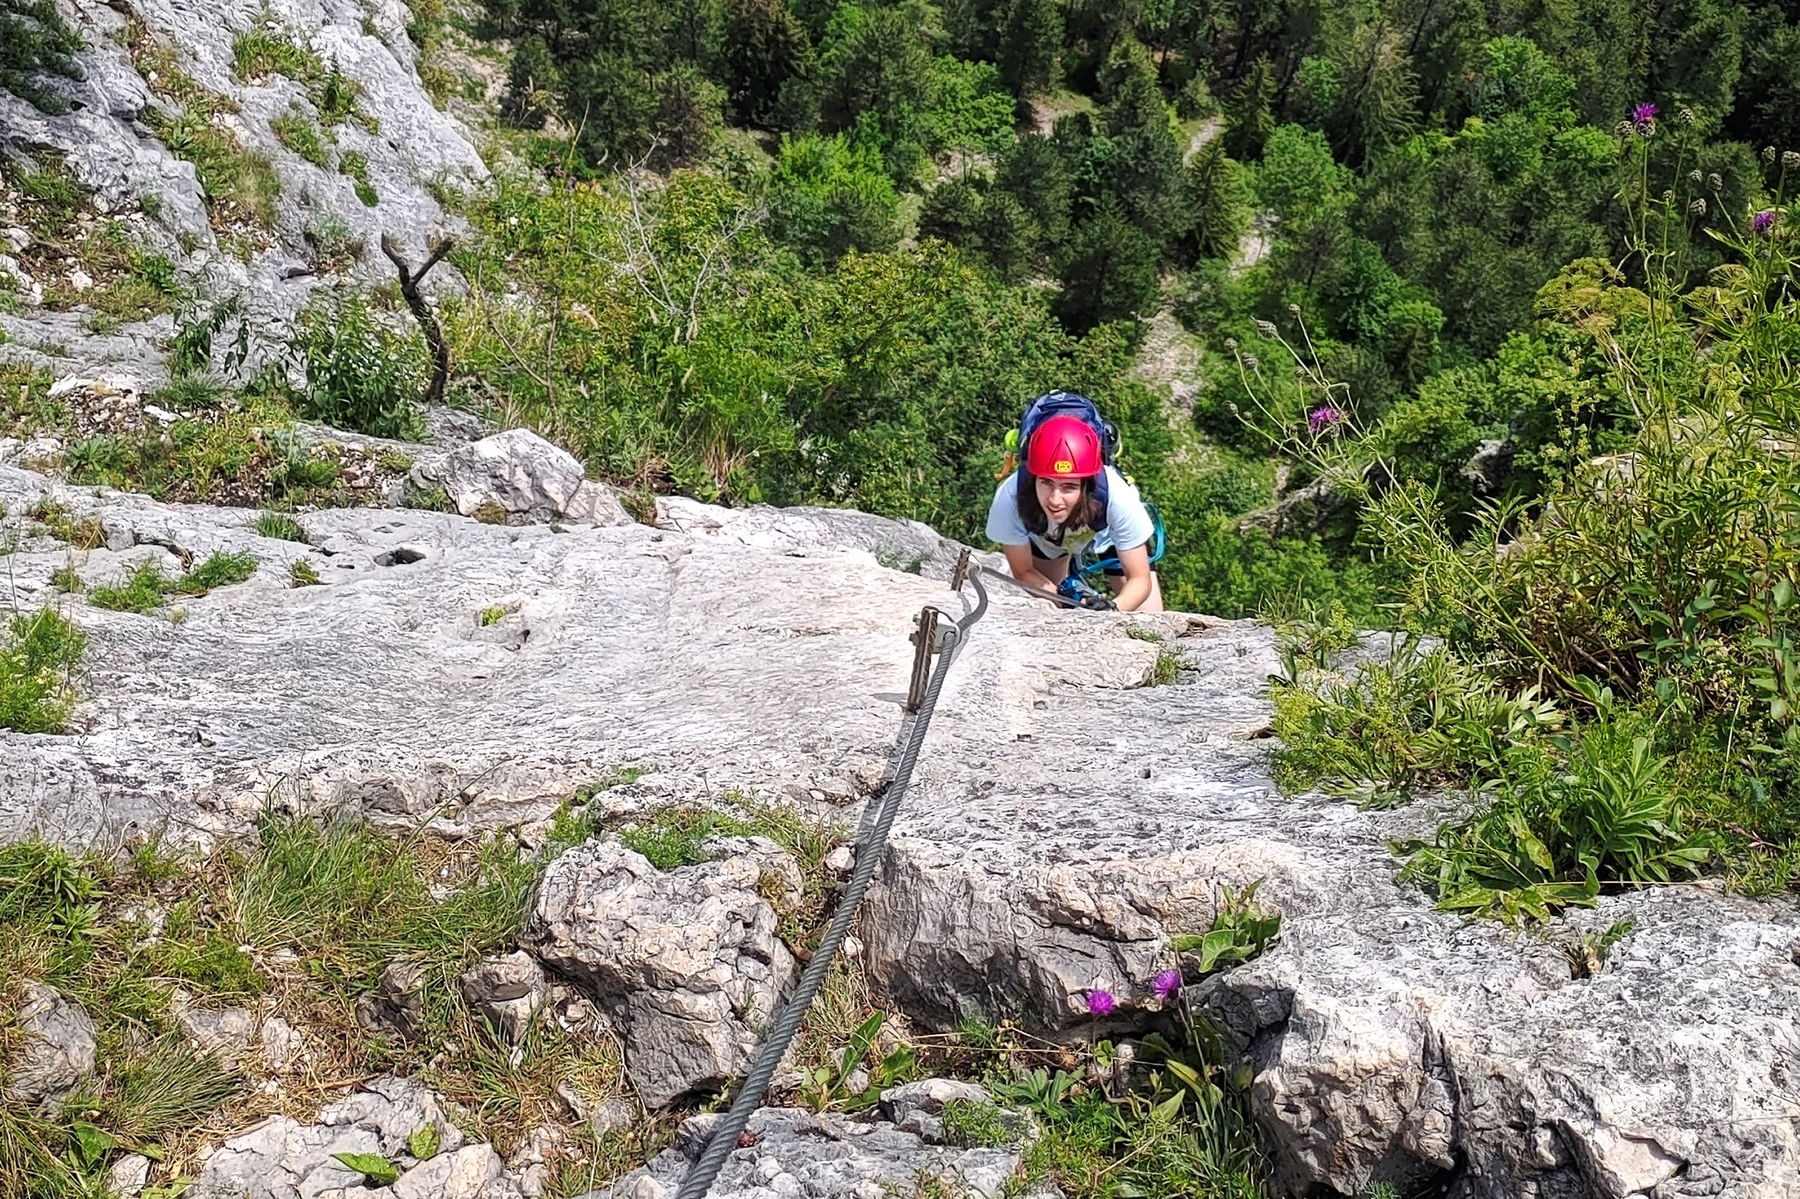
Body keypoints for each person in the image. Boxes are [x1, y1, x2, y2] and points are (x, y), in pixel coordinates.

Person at [985, 407, 1164, 612]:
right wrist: (1067, 602)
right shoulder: (1012, 497)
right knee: (1056, 610)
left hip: (1107, 532)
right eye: (1046, 482)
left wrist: (1111, 609)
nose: (1055, 500)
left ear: (1088, 485)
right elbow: (1024, 572)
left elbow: (1139, 580)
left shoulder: (1117, 496)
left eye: (1069, 487)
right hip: (1048, 536)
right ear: (1033, 477)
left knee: (1148, 617)